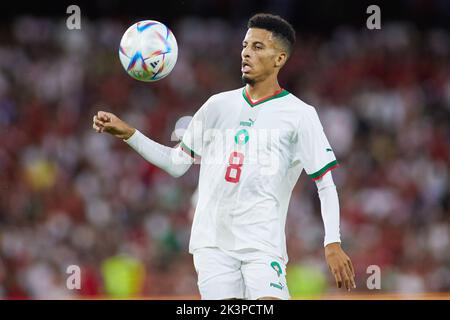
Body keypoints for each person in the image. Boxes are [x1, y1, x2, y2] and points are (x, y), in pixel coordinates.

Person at [92, 13, 355, 300]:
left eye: (257, 47)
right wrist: (129, 133)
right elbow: (176, 164)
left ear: (279, 58)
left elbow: (325, 183)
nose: (246, 53)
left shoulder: (300, 115)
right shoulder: (217, 105)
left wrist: (332, 242)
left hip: (262, 244)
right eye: (245, 45)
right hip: (212, 244)